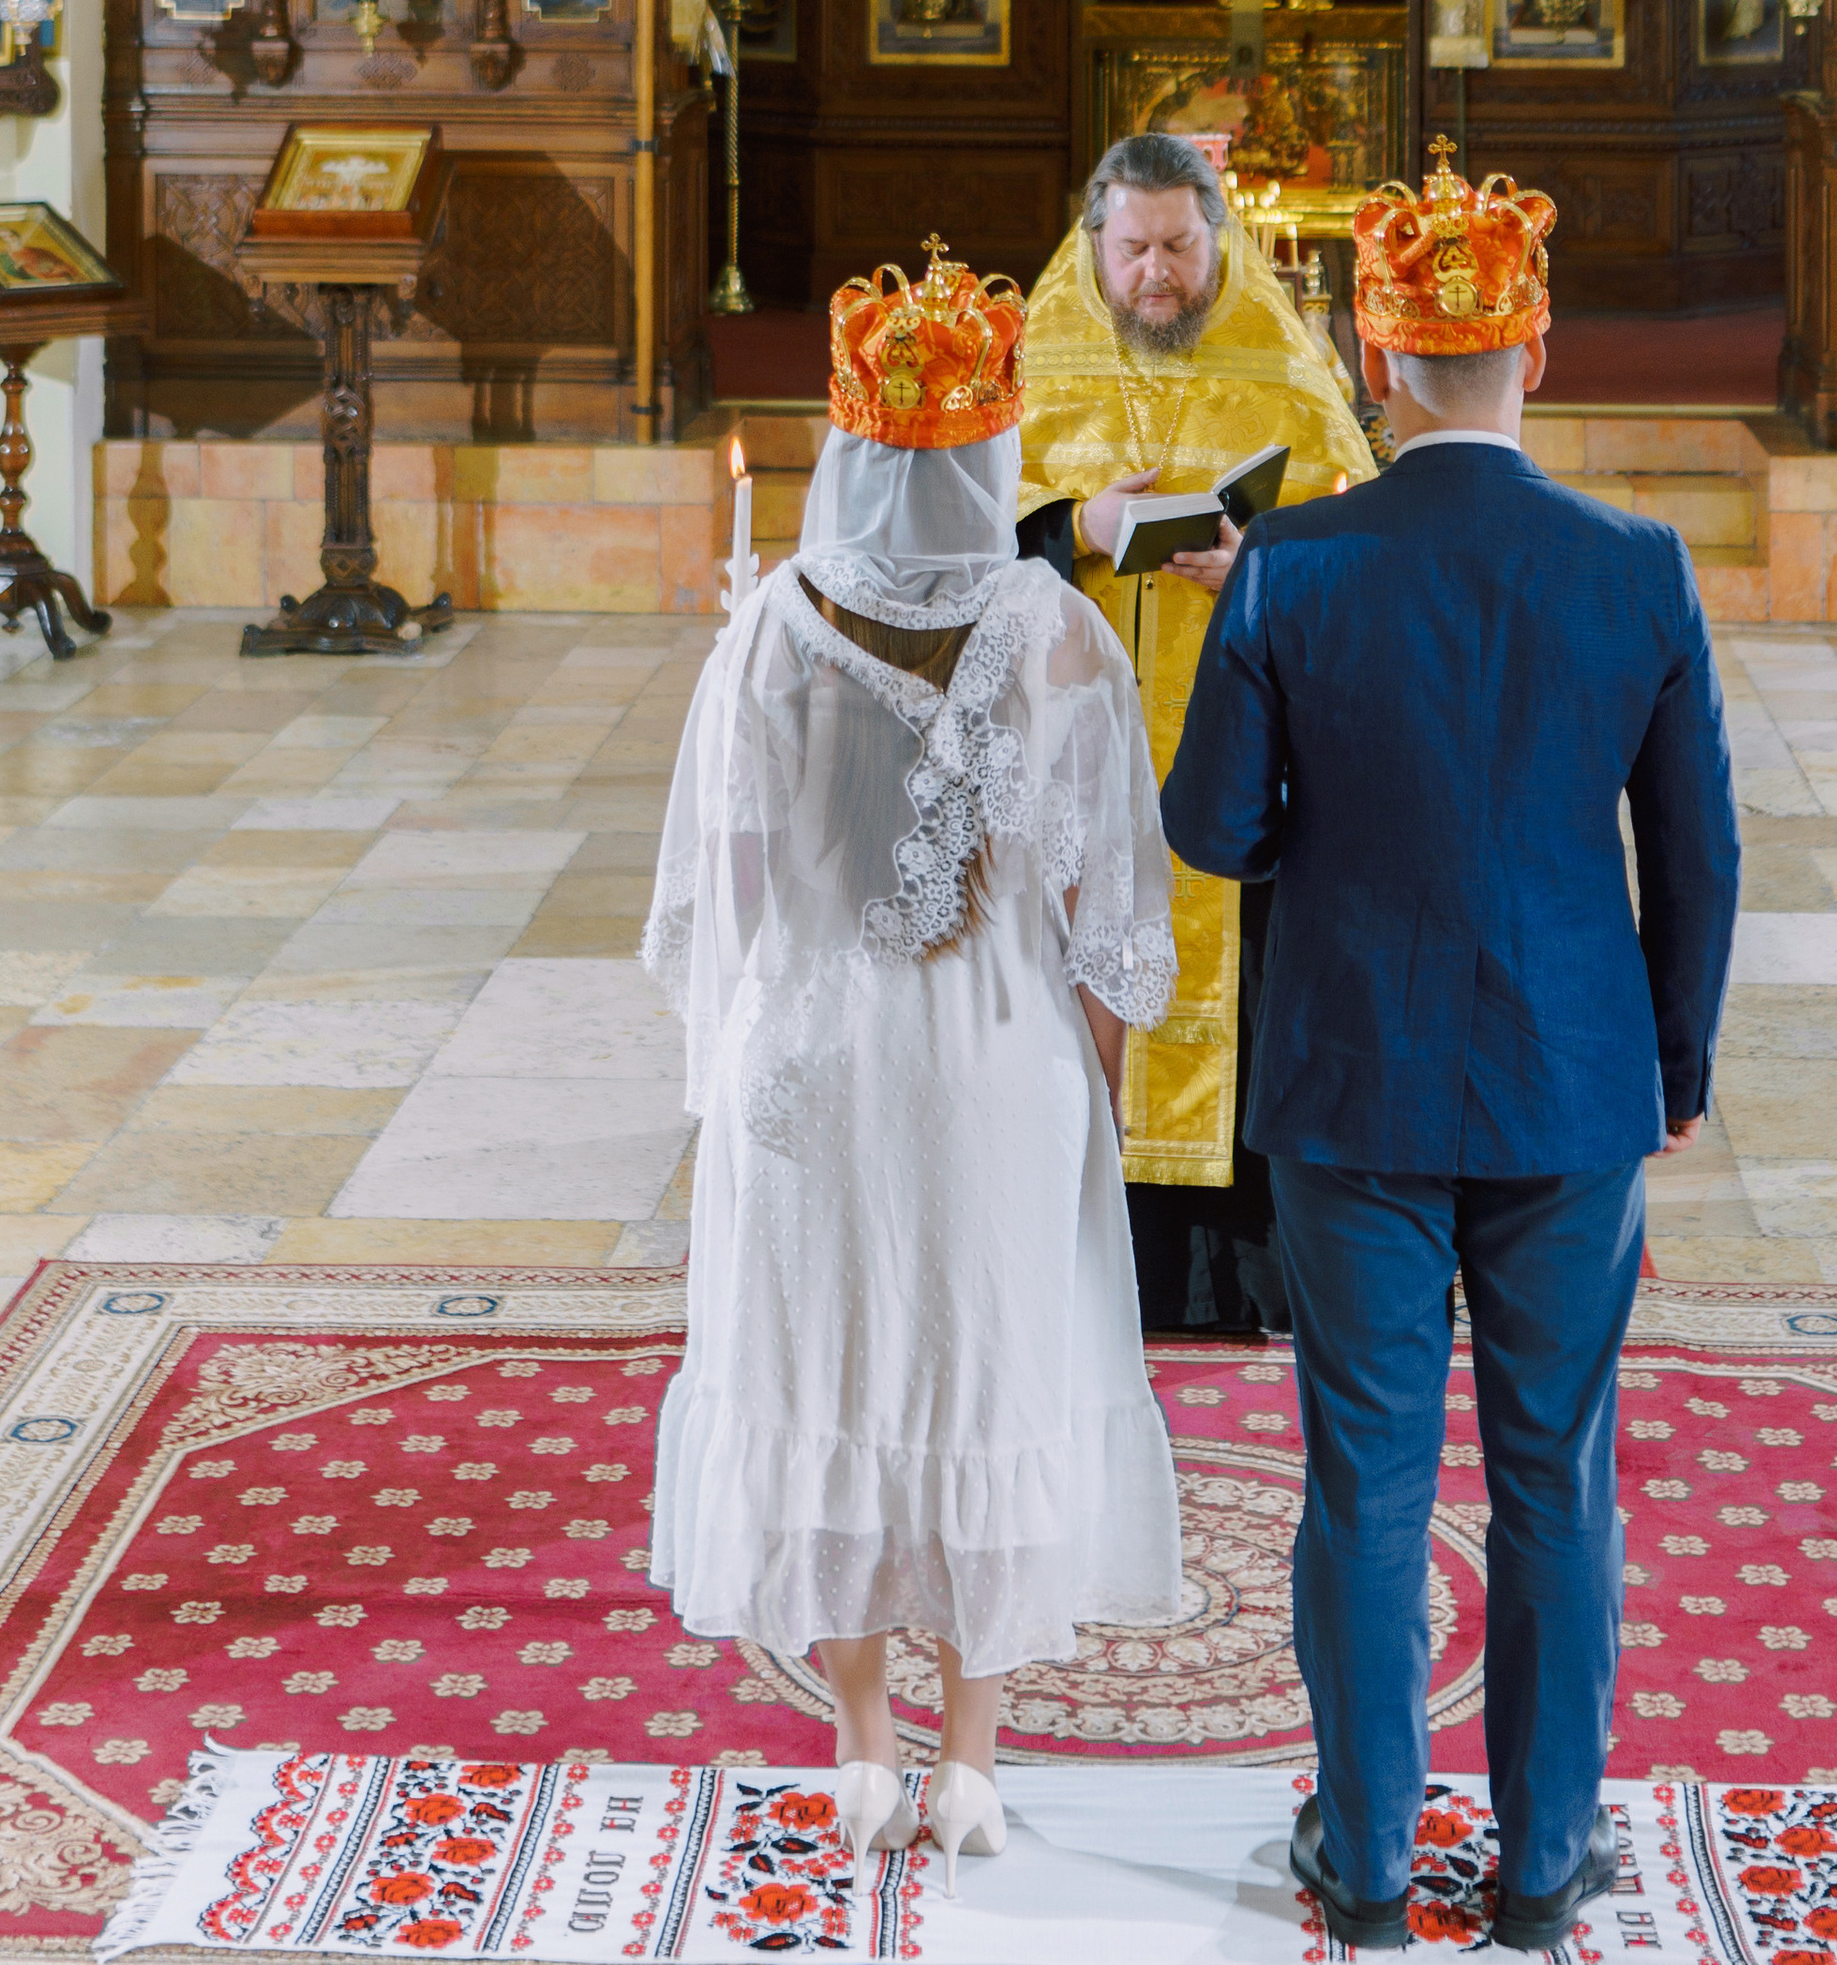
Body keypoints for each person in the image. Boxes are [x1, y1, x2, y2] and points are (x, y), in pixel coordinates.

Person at [1165, 141, 1739, 1960]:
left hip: (1352, 1080)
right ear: (1539, 352)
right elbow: (1699, 852)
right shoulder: (1637, 566)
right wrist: (1677, 1070)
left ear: (1373, 353)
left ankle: (1369, 1862)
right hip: (1573, 1085)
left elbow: (1207, 827)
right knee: (1559, 1469)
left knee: (1367, 1473)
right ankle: (1550, 1863)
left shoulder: (1294, 568)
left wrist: (1260, 716)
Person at [644, 240, 1184, 1883]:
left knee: (833, 1380)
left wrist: (749, 1058)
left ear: (855, 454)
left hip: (810, 1069)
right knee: (985, 1376)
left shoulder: (761, 636)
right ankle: (969, 1762)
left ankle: (860, 1746)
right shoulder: (1060, 637)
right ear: (991, 462)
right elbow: (1116, 926)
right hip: (990, 1066)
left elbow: (722, 905)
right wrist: (1084, 1086)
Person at [1016, 133, 1374, 1332]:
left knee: (1245, 978)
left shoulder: (1281, 358)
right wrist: (1077, 524)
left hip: (1233, 748)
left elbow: (1358, 540)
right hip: (1070, 749)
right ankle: (1080, 1249)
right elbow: (962, 537)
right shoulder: (1033, 355)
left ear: (1217, 238)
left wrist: (1257, 569)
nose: (1156, 275)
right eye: (1133, 250)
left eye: (1178, 246)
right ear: (1093, 243)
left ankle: (1228, 1277)